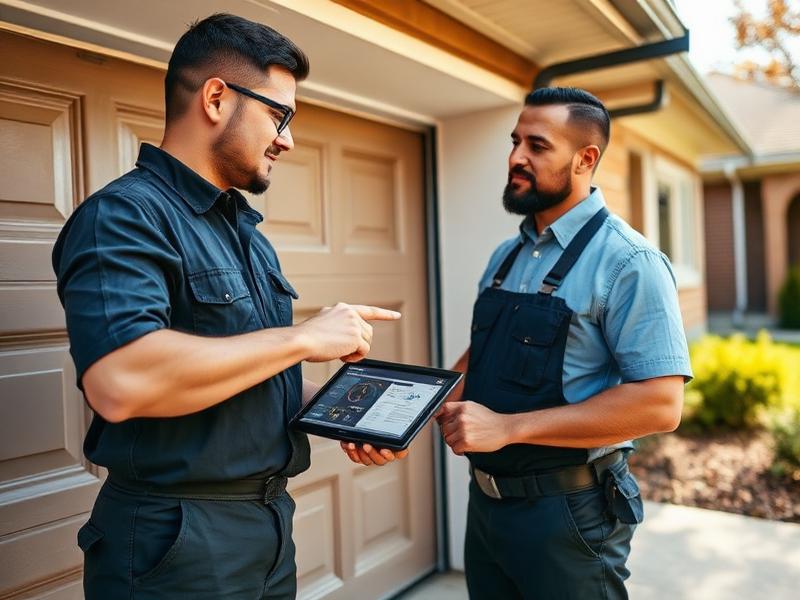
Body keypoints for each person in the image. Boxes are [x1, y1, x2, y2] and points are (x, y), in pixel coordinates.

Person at [53, 14, 403, 600]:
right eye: (279, 114)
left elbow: (246, 376)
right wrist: (304, 338)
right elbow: (120, 380)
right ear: (217, 97)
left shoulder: (246, 232)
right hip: (177, 543)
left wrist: (346, 411)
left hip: (266, 529)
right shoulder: (124, 216)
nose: (287, 138)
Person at [435, 87, 692, 599]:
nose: (515, 158)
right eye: (514, 142)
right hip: (486, 506)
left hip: (570, 516)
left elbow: (661, 404)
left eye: (537, 145)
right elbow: (479, 357)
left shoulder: (629, 262)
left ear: (585, 158)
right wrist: (402, 414)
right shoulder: (505, 257)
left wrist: (508, 428)